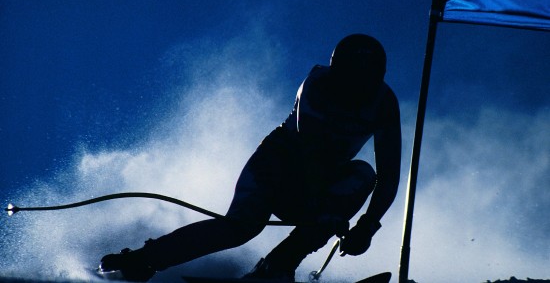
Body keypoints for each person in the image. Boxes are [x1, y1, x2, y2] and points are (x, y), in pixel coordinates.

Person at [99, 34, 402, 282]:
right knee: (241, 227)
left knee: (363, 173)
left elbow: (389, 174)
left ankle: (276, 268)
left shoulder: (384, 104)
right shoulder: (317, 86)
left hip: (321, 182)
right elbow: (309, 153)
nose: (354, 94)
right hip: (278, 165)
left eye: (364, 84)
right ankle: (145, 259)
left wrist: (368, 225)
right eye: (349, 82)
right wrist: (320, 212)